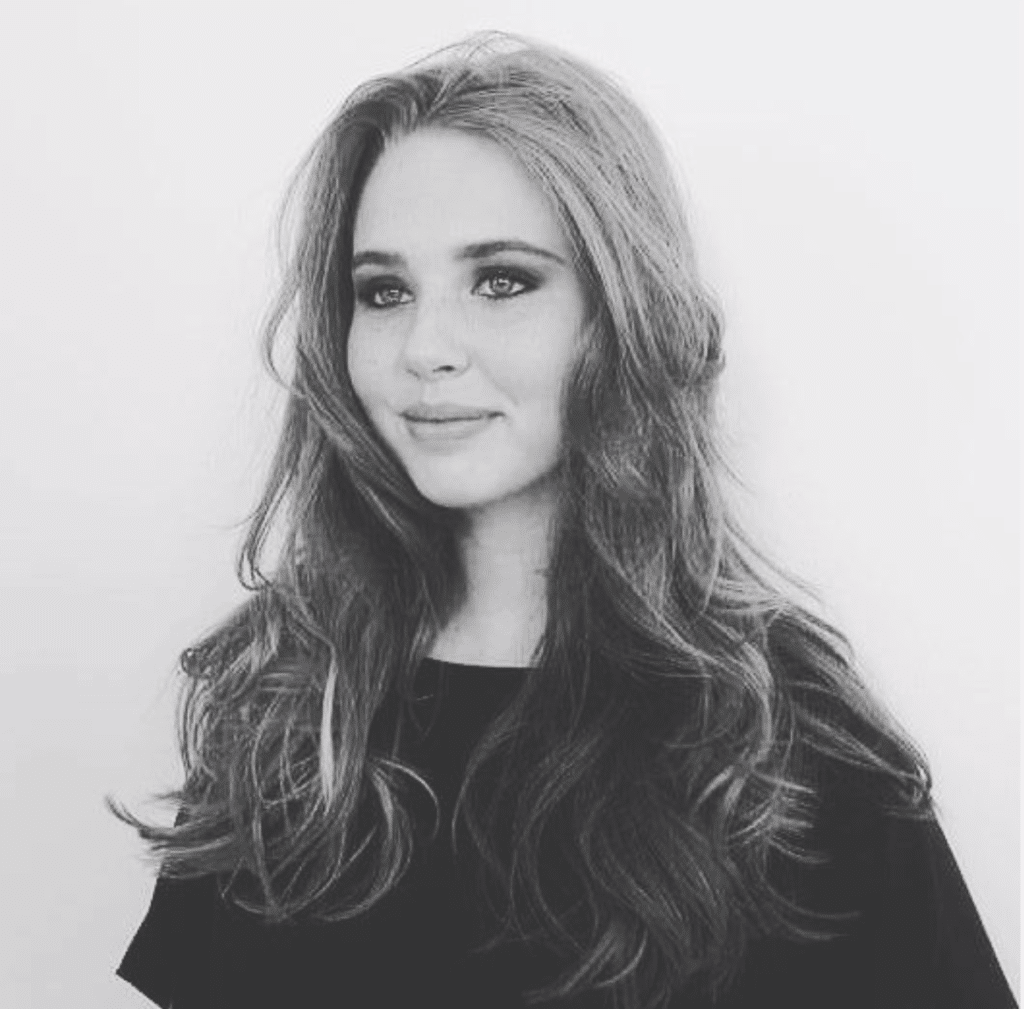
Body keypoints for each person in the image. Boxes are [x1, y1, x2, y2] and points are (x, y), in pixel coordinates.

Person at [113, 32, 1016, 1009]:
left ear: (619, 313)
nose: (424, 347)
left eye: (501, 280)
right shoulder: (286, 704)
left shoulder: (780, 745)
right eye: (383, 291)